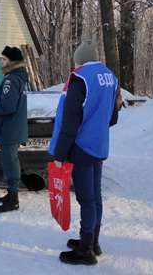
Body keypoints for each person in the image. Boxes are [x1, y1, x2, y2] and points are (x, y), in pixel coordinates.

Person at [48, 39, 119, 265]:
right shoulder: (109, 77)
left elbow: (69, 122)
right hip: (98, 145)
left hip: (80, 147)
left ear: (79, 61)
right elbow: (113, 117)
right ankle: (92, 240)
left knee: (86, 199)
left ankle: (85, 250)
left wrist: (59, 154)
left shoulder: (79, 80)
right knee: (95, 196)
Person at [0, 46, 28, 213]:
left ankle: (13, 198)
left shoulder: (11, 80)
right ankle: (11, 193)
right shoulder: (19, 78)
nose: (1, 62)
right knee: (9, 161)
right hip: (12, 126)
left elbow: (8, 106)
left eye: (4, 59)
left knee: (10, 162)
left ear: (12, 62)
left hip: (9, 127)